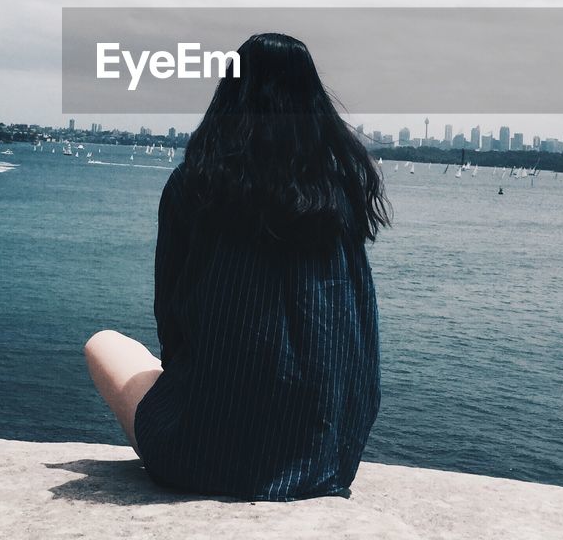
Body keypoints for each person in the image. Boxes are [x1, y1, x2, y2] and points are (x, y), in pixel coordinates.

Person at [85, 32, 389, 501]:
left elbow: (171, 320)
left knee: (103, 344)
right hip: (325, 458)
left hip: (207, 455)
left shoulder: (197, 185)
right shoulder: (341, 193)